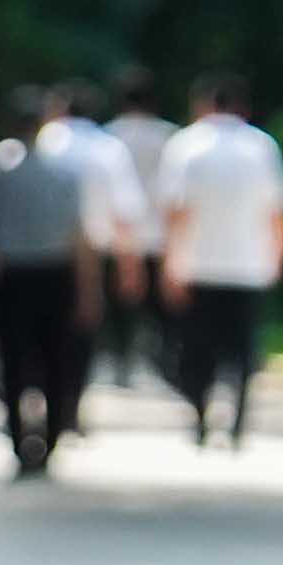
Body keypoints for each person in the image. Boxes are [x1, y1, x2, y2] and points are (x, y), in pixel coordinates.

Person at [146, 81, 283, 451]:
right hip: (247, 264)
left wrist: (169, 264)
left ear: (204, 105)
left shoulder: (186, 146)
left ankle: (199, 415)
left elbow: (176, 212)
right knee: (242, 350)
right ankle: (239, 419)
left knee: (198, 349)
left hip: (198, 264)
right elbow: (276, 210)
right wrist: (276, 257)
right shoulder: (261, 147)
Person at [0, 98, 92, 474]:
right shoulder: (63, 175)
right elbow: (78, 236)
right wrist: (88, 290)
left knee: (13, 361)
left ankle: (19, 439)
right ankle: (49, 439)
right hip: (55, 273)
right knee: (54, 360)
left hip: (13, 275)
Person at [31, 87, 153, 428]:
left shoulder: (46, 141)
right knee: (82, 334)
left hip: (42, 254)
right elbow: (124, 212)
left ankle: (46, 402)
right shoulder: (108, 148)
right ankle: (70, 405)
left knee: (44, 334)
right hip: (97, 254)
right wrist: (131, 266)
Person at [98, 67, 179, 385]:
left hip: (116, 237)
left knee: (119, 310)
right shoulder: (170, 137)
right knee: (163, 312)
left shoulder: (107, 136)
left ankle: (122, 364)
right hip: (160, 235)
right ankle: (164, 365)